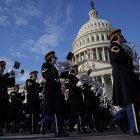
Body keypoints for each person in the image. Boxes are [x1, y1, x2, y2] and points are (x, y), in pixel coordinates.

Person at [108, 29, 140, 135]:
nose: (123, 38)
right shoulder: (114, 46)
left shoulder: (120, 48)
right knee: (131, 101)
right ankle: (134, 129)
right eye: (121, 37)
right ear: (117, 37)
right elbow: (117, 58)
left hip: (125, 76)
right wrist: (130, 58)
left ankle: (118, 117)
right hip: (123, 77)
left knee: (132, 101)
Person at [41, 51, 69, 137]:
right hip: (51, 91)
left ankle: (59, 130)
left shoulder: (55, 67)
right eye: (54, 58)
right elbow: (46, 76)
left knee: (59, 110)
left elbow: (62, 77)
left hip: (57, 90)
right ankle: (57, 131)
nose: (56, 59)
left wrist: (66, 69)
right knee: (55, 111)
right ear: (50, 58)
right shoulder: (45, 66)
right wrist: (54, 68)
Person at [0, 60, 15, 136]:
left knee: (3, 114)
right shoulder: (2, 76)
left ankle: (1, 129)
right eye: (1, 67)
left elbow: (11, 84)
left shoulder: (4, 76)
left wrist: (12, 76)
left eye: (3, 67)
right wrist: (8, 73)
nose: (3, 68)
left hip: (4, 97)